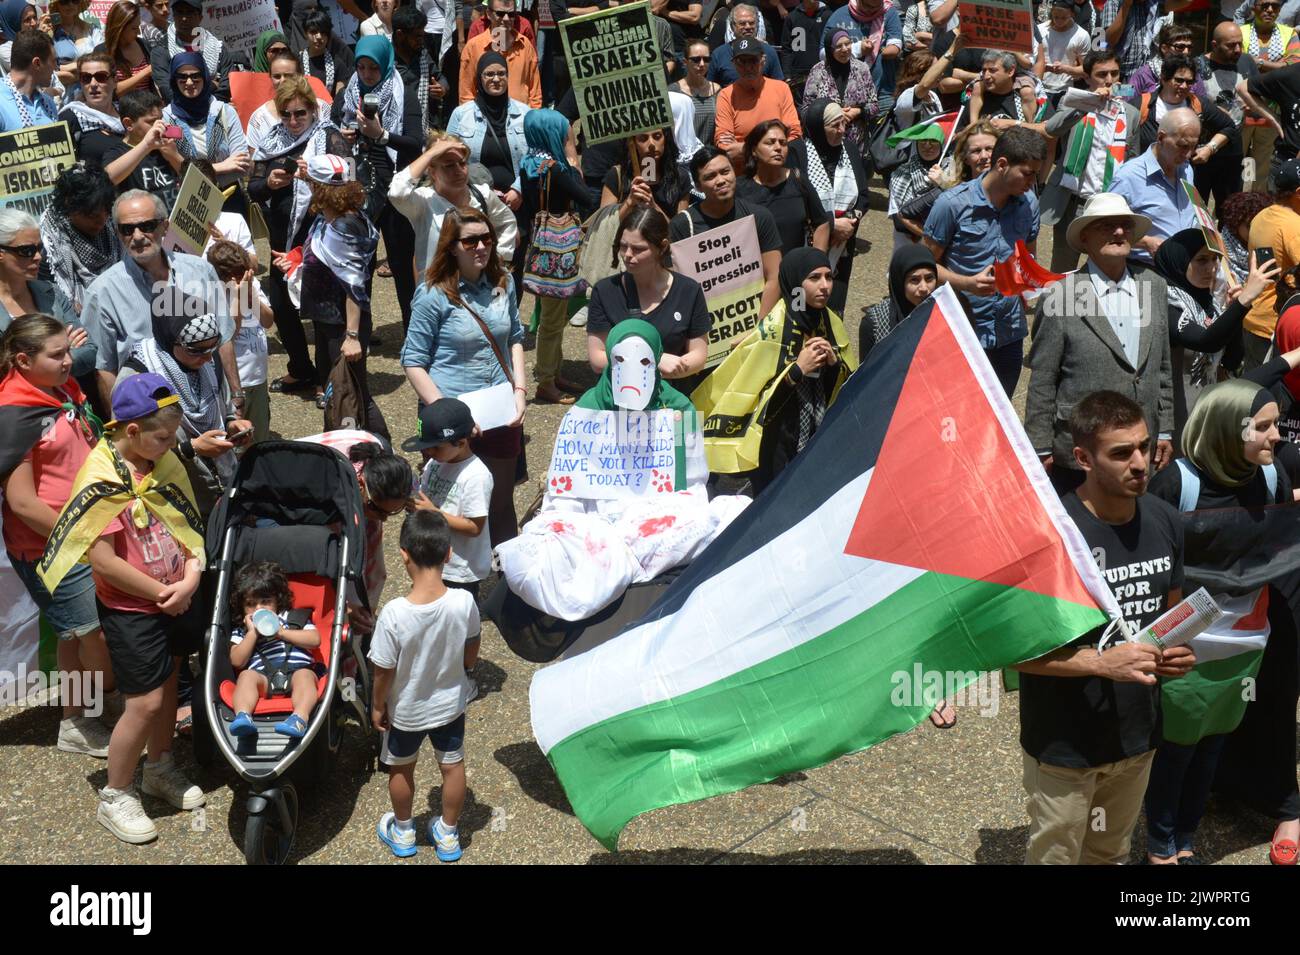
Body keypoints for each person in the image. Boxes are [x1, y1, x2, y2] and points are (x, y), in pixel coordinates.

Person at [1014, 390, 1195, 865]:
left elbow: (1167, 621)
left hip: (1137, 738)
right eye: (1120, 453)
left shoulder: (1165, 520)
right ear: (1083, 458)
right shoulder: (1053, 536)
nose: (1140, 463)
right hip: (1064, 747)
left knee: (1110, 855)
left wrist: (1177, 653)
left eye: (1143, 445)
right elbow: (1012, 655)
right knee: (1055, 856)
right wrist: (1100, 662)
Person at [41, 373, 209, 844]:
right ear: (131, 430)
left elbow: (189, 529)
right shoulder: (102, 479)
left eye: (174, 435)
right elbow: (104, 562)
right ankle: (116, 794)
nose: (171, 444)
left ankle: (160, 767)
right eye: (163, 435)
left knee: (171, 678)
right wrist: (161, 593)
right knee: (146, 700)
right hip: (134, 608)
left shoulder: (163, 461)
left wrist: (191, 578)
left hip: (178, 594)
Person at [1144, 377, 1292, 864]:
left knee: (1212, 744)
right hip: (1186, 643)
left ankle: (1186, 837)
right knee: (1177, 747)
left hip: (1245, 640)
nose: (1278, 437)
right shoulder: (1177, 484)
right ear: (1230, 429)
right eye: (1265, 427)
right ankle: (1161, 841)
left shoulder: (1270, 478)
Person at [0, 314, 112, 758]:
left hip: (86, 532)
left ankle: (77, 717)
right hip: (50, 546)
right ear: (23, 360)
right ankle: (87, 716)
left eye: (69, 350)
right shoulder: (13, 415)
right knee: (92, 634)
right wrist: (80, 537)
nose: (71, 361)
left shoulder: (59, 389)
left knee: (73, 634)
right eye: (58, 354)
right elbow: (24, 503)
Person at [1026, 194, 1175, 494]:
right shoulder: (1061, 296)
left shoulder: (1153, 285)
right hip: (1081, 454)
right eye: (1107, 226)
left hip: (1139, 448)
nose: (1118, 232)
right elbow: (1042, 379)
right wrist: (1040, 447)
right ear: (1085, 237)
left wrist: (1166, 427)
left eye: (1124, 226)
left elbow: (1162, 366)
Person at [403, 206, 525, 544]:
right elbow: (413, 361)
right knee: (449, 506)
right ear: (451, 246)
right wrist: (449, 415)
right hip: (450, 416)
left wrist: (520, 392)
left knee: (500, 503)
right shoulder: (432, 294)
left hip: (501, 410)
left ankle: (505, 584)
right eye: (470, 241)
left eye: (487, 238)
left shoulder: (504, 283)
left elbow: (515, 337)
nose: (482, 247)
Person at [693, 247, 856, 493]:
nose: (825, 286)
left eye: (829, 277)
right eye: (814, 278)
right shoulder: (772, 329)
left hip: (815, 432)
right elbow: (756, 399)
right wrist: (797, 370)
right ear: (794, 283)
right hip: (775, 442)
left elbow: (847, 383)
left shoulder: (832, 322)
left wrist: (833, 364)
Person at [370, 508, 479, 861]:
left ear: (403, 553)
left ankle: (403, 832)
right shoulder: (464, 601)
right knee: (452, 766)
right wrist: (465, 666)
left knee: (401, 768)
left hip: (407, 711)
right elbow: (472, 646)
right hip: (450, 706)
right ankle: (447, 835)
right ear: (449, 553)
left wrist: (377, 705)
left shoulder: (393, 614)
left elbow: (383, 670)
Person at [81, 189, 234, 411]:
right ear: (116, 233)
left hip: (211, 405)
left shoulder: (201, 271)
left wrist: (236, 396)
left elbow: (224, 337)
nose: (137, 236)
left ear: (165, 226)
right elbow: (105, 368)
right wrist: (122, 425)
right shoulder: (101, 293)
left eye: (147, 226)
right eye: (127, 229)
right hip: (151, 419)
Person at [923, 126, 1045, 397]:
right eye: (1028, 173)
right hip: (962, 330)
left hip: (1009, 333)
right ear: (1002, 165)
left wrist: (1033, 278)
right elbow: (922, 267)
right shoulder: (952, 205)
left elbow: (1029, 256)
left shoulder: (1030, 204)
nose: (1032, 181)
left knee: (998, 417)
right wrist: (966, 282)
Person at [249, 76, 346, 404]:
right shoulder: (272, 139)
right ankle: (300, 367)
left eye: (300, 114)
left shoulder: (328, 137)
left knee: (320, 310)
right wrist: (270, 184)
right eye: (286, 114)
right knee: (280, 305)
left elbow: (346, 187)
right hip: (280, 238)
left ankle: (325, 379)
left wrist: (313, 175)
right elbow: (254, 184)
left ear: (313, 112)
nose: (292, 121)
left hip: (317, 239)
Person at [290, 154, 387, 439]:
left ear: (320, 189)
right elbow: (324, 258)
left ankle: (381, 448)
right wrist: (295, 260)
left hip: (341, 325)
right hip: (327, 318)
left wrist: (353, 336)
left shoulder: (343, 227)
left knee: (354, 392)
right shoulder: (333, 216)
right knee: (338, 391)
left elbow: (353, 286)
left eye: (311, 183)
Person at [332, 36, 418, 332]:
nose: (366, 74)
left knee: (402, 263)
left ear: (385, 64)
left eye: (373, 68)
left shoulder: (403, 91)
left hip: (394, 187)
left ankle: (413, 332)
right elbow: (331, 130)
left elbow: (416, 143)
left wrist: (382, 135)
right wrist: (345, 134)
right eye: (362, 66)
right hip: (358, 184)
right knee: (361, 263)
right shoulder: (349, 91)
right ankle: (361, 332)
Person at [1154, 228, 1279, 431]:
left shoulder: (1210, 304)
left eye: (1215, 259)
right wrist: (1244, 301)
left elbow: (1232, 359)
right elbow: (1206, 341)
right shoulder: (1166, 302)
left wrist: (1233, 312)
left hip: (1205, 410)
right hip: (1172, 419)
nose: (1211, 268)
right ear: (1179, 261)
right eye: (1202, 260)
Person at [519, 107, 598, 405]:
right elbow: (587, 198)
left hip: (541, 248)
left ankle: (554, 371)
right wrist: (575, 163)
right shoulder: (556, 169)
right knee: (553, 319)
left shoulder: (529, 164)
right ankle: (546, 381)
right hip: (560, 251)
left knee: (551, 312)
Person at [586, 205, 710, 392]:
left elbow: (699, 356)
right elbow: (597, 358)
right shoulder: (605, 291)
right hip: (620, 402)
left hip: (671, 404)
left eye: (638, 249)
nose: (628, 255)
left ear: (662, 247)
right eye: (623, 246)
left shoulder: (689, 291)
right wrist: (654, 363)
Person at [1039, 51, 1141, 273]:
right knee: (1063, 268)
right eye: (1101, 74)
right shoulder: (1073, 101)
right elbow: (1052, 129)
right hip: (1075, 201)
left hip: (1111, 204)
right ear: (1087, 78)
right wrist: (1087, 103)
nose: (1109, 80)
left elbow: (1132, 160)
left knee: (1107, 266)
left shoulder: (1130, 113)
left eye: (1114, 73)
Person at [670, 145, 782, 321]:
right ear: (698, 186)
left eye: (725, 171)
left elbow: (774, 277)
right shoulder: (682, 226)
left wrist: (757, 328)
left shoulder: (759, 217)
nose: (721, 180)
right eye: (710, 176)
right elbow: (675, 289)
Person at [390, 133, 516, 275]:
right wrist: (431, 153)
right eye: (449, 166)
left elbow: (507, 223)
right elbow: (397, 193)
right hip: (437, 292)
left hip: (479, 290)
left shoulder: (482, 195)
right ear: (433, 172)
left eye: (462, 163)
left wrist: (499, 259)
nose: (458, 171)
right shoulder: (423, 201)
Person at [409, 398, 493, 599]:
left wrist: (433, 513)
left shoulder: (476, 476)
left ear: (461, 442)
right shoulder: (436, 462)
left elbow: (474, 527)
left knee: (457, 620)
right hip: (434, 558)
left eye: (436, 447)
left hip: (460, 569)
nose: (429, 452)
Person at [227, 561, 321, 739]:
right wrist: (252, 633)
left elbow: (314, 640)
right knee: (245, 677)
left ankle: (299, 718)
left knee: (305, 677)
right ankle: (243, 716)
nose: (259, 609)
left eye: (265, 602)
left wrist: (281, 632)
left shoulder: (292, 619)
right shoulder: (242, 630)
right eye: (251, 604)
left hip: (296, 672)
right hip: (262, 677)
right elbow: (237, 661)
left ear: (277, 601)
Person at [1132, 54, 1239, 209]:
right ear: (1163, 78)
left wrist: (1210, 148)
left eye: (1189, 82)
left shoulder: (1197, 104)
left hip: (1185, 182)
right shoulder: (1142, 105)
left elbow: (1229, 127)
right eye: (1178, 80)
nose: (1184, 86)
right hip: (1147, 181)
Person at [0, 209, 95, 380]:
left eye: (39, 248)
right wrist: (65, 350)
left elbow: (88, 352)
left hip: (67, 402)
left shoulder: (51, 292)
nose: (38, 257)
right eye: (27, 250)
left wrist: (37, 363)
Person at [792, 99, 868, 313]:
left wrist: (849, 223)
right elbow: (794, 199)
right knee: (801, 305)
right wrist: (831, 224)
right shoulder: (797, 152)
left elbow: (863, 196)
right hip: (806, 241)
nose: (842, 130)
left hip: (841, 244)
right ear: (818, 127)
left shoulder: (850, 150)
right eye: (835, 125)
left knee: (833, 305)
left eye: (844, 124)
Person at [1110, 107, 1201, 265]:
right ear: (1161, 138)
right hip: (1144, 268)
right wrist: (1146, 242)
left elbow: (1190, 215)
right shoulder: (1128, 177)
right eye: (1183, 146)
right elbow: (1106, 226)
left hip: (1183, 268)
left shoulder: (1187, 169)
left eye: (1193, 147)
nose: (1188, 154)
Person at [446, 50, 526, 215]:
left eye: (501, 74)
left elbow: (535, 158)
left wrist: (518, 189)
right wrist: (480, 191)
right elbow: (448, 157)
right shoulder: (461, 115)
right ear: (479, 79)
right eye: (489, 74)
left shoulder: (525, 114)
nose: (496, 79)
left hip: (516, 203)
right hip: (474, 201)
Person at [207, 239, 271, 443]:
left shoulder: (251, 286)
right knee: (237, 442)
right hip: (234, 380)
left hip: (258, 377)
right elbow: (229, 335)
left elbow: (268, 321)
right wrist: (237, 298)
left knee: (259, 437)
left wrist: (250, 295)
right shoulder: (213, 296)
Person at [737, 119, 830, 255]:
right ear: (754, 150)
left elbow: (822, 222)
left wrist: (815, 262)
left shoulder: (798, 179)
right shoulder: (740, 188)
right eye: (770, 142)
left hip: (794, 271)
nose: (778, 148)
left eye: (783, 143)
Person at [1242, 159, 1300, 366]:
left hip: (1252, 318)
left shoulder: (1262, 215)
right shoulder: (1294, 227)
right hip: (1274, 327)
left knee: (1252, 391)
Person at [714, 37, 802, 172]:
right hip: (744, 176)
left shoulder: (781, 88)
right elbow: (725, 146)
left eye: (753, 61)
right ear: (734, 64)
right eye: (742, 62)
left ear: (763, 60)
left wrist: (745, 148)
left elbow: (794, 135)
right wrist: (772, 148)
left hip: (778, 172)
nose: (748, 67)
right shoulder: (726, 95)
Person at [86, 90, 183, 209]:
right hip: (144, 224)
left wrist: (173, 156)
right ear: (128, 124)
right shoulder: (117, 152)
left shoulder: (167, 145)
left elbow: (192, 178)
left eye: (161, 119)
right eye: (151, 121)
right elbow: (108, 178)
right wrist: (146, 145)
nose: (160, 125)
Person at [859, 243, 937, 363]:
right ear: (899, 282)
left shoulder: (945, 315)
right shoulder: (876, 324)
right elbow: (866, 376)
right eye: (914, 280)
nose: (924, 288)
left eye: (929, 278)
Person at [801, 29, 878, 150]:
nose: (845, 49)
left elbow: (874, 106)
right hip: (826, 142)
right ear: (830, 49)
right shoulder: (818, 71)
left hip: (857, 144)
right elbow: (806, 110)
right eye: (838, 46)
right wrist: (834, 114)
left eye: (847, 44)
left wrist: (858, 112)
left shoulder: (862, 69)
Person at [151, 0, 241, 104]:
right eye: (179, 12)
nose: (184, 18)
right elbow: (169, 93)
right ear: (174, 16)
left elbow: (227, 87)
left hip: (215, 112)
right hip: (180, 116)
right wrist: (211, 85)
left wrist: (207, 104)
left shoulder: (217, 47)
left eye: (190, 12)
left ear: (200, 17)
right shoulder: (162, 50)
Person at [820, 0, 903, 112]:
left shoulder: (887, 12)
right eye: (868, 6)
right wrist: (858, 49)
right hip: (848, 95)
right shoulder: (839, 16)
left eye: (876, 7)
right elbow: (823, 54)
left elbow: (895, 47)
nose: (871, 10)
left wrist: (878, 50)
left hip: (883, 93)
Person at [599, 128, 693, 222]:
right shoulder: (617, 175)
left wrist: (653, 206)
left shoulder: (680, 177)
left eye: (657, 137)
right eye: (643, 139)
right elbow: (604, 226)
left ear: (665, 138)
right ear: (633, 143)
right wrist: (629, 202)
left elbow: (680, 233)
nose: (651, 144)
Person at [458, 0, 540, 108]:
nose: (506, 19)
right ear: (489, 13)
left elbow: (535, 92)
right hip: (485, 119)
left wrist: (533, 118)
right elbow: (466, 94)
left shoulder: (525, 45)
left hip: (521, 120)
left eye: (511, 14)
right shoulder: (474, 48)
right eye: (500, 14)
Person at [886, 118, 944, 251]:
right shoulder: (901, 174)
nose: (927, 146)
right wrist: (932, 237)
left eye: (933, 141)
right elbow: (898, 222)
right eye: (923, 141)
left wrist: (944, 184)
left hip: (941, 249)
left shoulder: (953, 172)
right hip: (907, 245)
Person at [60, 51, 125, 159]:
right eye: (86, 78)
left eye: (101, 77)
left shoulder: (127, 112)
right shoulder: (70, 118)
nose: (93, 84)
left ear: (115, 80)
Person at [244, 47, 302, 155]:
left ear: (300, 76)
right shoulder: (258, 120)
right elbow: (254, 164)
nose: (283, 80)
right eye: (277, 76)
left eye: (289, 75)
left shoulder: (319, 109)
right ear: (270, 77)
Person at [709, 4, 782, 86]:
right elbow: (711, 89)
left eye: (751, 23)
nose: (748, 27)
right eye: (742, 23)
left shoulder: (769, 52)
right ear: (732, 26)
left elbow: (778, 86)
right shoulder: (719, 54)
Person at [0, 28, 57, 131]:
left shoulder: (48, 104)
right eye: (53, 61)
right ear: (37, 63)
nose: (56, 67)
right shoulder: (2, 101)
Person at [1036, 0, 1090, 103]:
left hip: (1065, 91)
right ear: (1051, 13)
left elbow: (1086, 69)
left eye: (1064, 18)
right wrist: (1042, 66)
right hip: (1040, 88)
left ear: (1072, 14)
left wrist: (1066, 69)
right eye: (1056, 17)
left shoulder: (1081, 35)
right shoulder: (1040, 30)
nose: (1059, 21)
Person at [1130, 22, 1206, 96]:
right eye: (1180, 47)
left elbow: (1203, 103)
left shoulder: (1194, 76)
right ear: (1164, 48)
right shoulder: (1142, 74)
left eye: (1189, 47)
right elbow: (1123, 97)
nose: (1186, 52)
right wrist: (1117, 89)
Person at [968, 50, 1039, 127]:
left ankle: (1031, 125)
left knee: (1027, 92)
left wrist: (1014, 51)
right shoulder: (982, 82)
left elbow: (1030, 64)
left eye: (993, 70)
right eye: (984, 70)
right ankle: (972, 125)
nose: (986, 76)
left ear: (1010, 71)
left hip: (1022, 74)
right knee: (977, 86)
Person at [100, 0, 155, 95]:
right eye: (134, 28)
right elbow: (110, 91)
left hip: (148, 107)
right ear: (120, 28)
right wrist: (146, 72)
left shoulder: (144, 45)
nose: (138, 32)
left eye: (138, 27)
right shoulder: (102, 52)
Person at [781, 0, 830, 104]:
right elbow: (786, 49)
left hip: (823, 73)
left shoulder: (828, 16)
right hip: (797, 75)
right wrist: (787, 75)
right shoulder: (792, 17)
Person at [1101, 0, 1163, 81]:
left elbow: (1184, 2)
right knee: (1126, 93)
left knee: (1148, 93)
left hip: (1146, 74)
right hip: (1122, 76)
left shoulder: (1153, 4)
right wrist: (1126, 6)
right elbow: (1110, 41)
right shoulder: (1113, 2)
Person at [299, 8, 354, 98]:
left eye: (323, 32)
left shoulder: (336, 62)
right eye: (313, 32)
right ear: (305, 34)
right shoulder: (298, 62)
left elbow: (339, 96)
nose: (319, 36)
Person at [1220, 190, 1273, 280]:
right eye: (1250, 225)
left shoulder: (1273, 242)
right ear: (1236, 223)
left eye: (1263, 224)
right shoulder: (1220, 251)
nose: (1258, 230)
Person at [678, 39, 722, 145]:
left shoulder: (717, 90)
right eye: (696, 59)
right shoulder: (674, 92)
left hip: (710, 155)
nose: (702, 64)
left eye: (706, 59)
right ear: (685, 62)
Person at [50, 0, 102, 84]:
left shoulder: (91, 29)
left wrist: (69, 70)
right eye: (64, 2)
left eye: (75, 1)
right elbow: (47, 69)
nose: (70, 4)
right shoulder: (50, 32)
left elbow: (102, 59)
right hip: (61, 93)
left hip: (91, 87)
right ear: (56, 5)